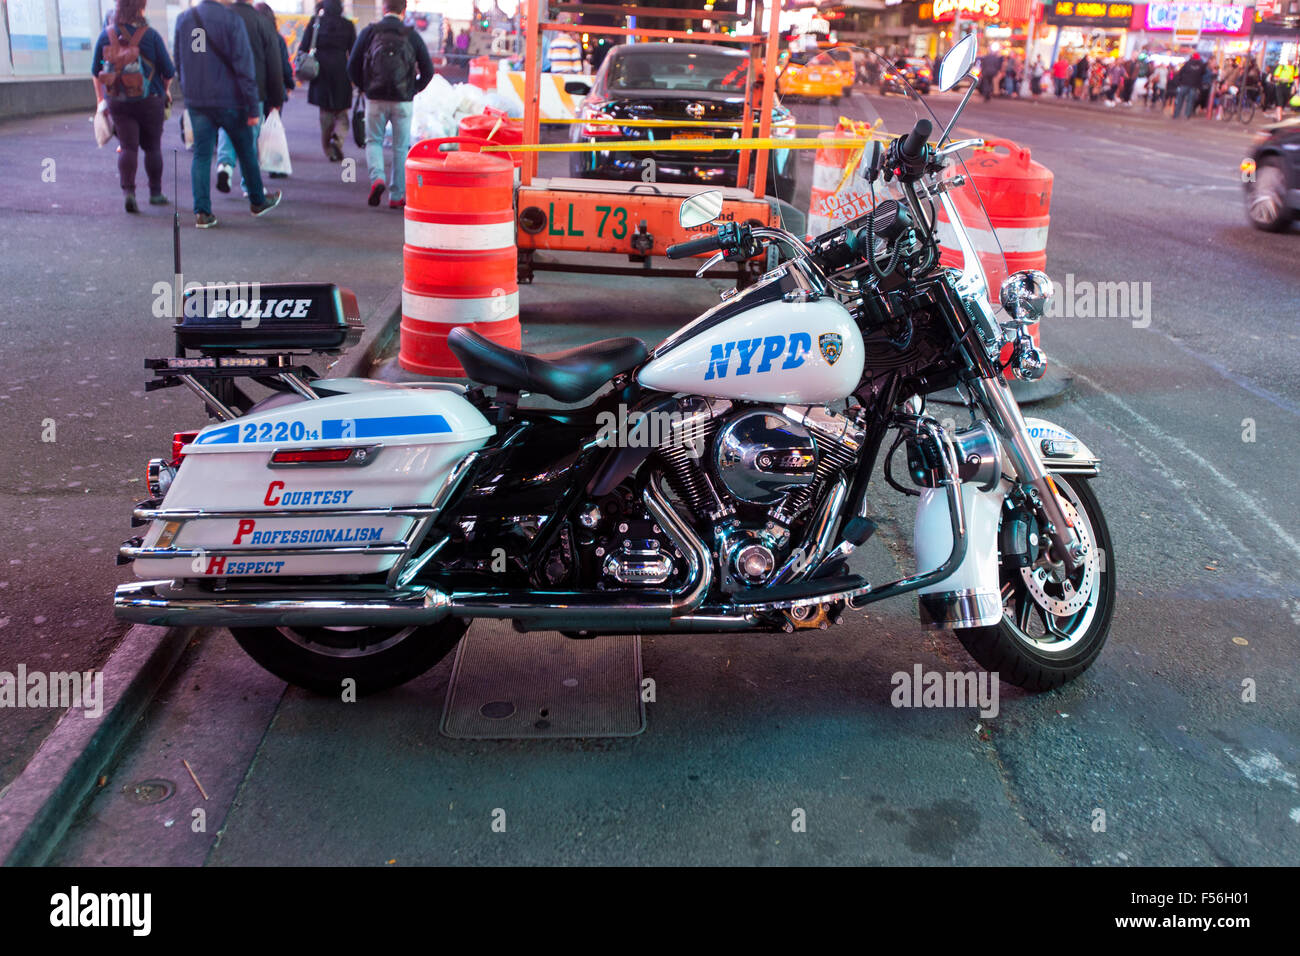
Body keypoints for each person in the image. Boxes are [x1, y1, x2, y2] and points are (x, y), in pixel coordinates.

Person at [173, 0, 280, 227]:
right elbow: (244, 66)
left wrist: (189, 93)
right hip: (230, 101)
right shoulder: (232, 20)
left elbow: (179, 61)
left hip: (198, 101)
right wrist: (253, 106)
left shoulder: (184, 20)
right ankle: (257, 201)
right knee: (246, 151)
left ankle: (202, 212)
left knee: (201, 155)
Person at [91, 0, 175, 212]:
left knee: (128, 147)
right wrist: (165, 90)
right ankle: (155, 194)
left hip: (118, 101)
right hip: (150, 100)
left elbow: (95, 71)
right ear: (141, 8)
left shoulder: (106, 34)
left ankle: (129, 193)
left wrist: (101, 100)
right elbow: (169, 71)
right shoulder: (151, 35)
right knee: (153, 147)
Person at [348, 0, 433, 209]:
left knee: (373, 141)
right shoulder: (411, 35)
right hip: (403, 100)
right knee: (400, 147)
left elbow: (352, 65)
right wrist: (413, 89)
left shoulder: (370, 32)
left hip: (375, 98)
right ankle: (396, 195)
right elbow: (428, 70)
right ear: (404, 11)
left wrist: (365, 86)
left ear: (383, 8)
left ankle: (377, 178)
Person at [214, 0, 284, 197]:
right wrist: (276, 98)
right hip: (255, 89)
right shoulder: (262, 22)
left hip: (224, 89)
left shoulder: (220, 19)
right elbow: (274, 63)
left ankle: (225, 166)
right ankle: (250, 186)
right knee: (250, 138)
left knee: (226, 130)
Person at [301, 0, 356, 162]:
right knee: (342, 110)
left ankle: (328, 148)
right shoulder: (348, 25)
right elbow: (354, 51)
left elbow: (303, 47)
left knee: (325, 111)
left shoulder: (315, 23)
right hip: (342, 69)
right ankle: (337, 138)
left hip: (320, 70)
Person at [1172, 52, 1206, 119]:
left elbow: (1181, 72)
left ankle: (1176, 114)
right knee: (1190, 101)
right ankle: (1187, 115)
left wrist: (1180, 81)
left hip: (1185, 83)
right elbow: (1203, 73)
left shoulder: (1188, 63)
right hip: (1194, 85)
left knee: (1180, 99)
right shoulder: (1201, 65)